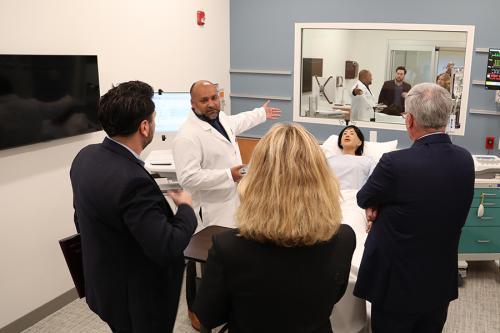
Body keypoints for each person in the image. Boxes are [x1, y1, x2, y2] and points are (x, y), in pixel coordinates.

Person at [193, 123, 356, 333]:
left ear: (257, 179)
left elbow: (206, 318)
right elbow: (335, 295)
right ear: (322, 177)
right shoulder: (344, 238)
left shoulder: (228, 247)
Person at [70, 81, 198, 333]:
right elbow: (166, 246)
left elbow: (80, 218)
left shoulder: (85, 157)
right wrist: (185, 208)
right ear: (144, 127)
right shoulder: (133, 181)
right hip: (137, 300)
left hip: (104, 286)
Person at [353, 83, 475, 333]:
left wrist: (376, 204)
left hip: (397, 285)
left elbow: (363, 197)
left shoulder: (394, 163)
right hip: (439, 280)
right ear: (446, 118)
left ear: (409, 120)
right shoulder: (465, 160)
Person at [173, 80, 281, 329]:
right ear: (192, 103)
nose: (211, 104)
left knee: (232, 257)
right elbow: (187, 177)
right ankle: (200, 314)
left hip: (232, 201)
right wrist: (227, 175)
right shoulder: (187, 136)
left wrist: (261, 113)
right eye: (204, 100)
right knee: (209, 263)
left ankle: (231, 306)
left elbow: (239, 121)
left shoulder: (220, 119)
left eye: (214, 97)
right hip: (210, 209)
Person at [327, 125, 376, 190]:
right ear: (340, 142)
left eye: (352, 133)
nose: (347, 135)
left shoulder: (368, 161)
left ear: (359, 142)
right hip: (332, 195)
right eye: (345, 133)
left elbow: (374, 182)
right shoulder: (329, 160)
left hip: (355, 196)